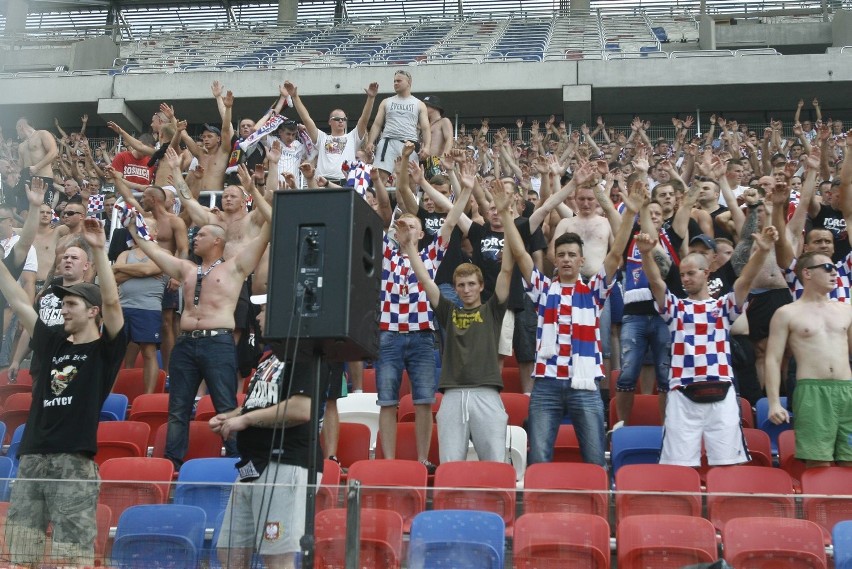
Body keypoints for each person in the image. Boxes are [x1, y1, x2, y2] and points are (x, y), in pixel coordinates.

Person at [2, 219, 125, 567]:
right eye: (63, 303)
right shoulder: (53, 341)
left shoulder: (105, 351)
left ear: (92, 311)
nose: (63, 309)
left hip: (74, 461)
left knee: (72, 555)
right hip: (33, 457)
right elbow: (16, 297)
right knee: (21, 552)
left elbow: (114, 304)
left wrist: (100, 250)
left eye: (71, 304)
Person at [510, 168, 636, 467]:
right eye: (561, 254)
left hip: (585, 386)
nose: (566, 259)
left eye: (572, 255)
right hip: (547, 385)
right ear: (555, 258)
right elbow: (520, 254)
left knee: (595, 460)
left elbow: (617, 254)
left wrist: (629, 213)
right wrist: (505, 215)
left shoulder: (594, 291)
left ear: (582, 260)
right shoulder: (542, 289)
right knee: (538, 459)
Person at [126, 211, 270, 468]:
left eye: (201, 234)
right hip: (185, 342)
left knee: (225, 405)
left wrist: (266, 200)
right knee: (178, 408)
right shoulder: (187, 269)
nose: (195, 238)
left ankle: (239, 460)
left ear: (217, 241)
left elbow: (265, 234)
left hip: (218, 342)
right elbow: (154, 252)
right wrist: (135, 230)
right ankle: (172, 462)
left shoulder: (235, 267)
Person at [639, 223, 778, 467]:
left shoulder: (722, 306)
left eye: (691, 273)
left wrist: (763, 252)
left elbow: (744, 281)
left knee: (728, 464)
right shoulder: (676, 308)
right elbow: (656, 283)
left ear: (706, 272)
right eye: (682, 274)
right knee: (678, 466)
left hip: (721, 389)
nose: (685, 279)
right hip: (682, 390)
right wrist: (646, 253)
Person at [210, 293, 331, 569]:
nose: (258, 318)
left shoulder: (307, 354)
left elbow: (302, 409)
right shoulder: (267, 358)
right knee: (230, 553)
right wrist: (229, 417)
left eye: (263, 311)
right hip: (253, 465)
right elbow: (256, 404)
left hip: (287, 464)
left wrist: (247, 420)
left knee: (277, 558)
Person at [396, 178, 511, 463]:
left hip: (487, 394)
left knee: (495, 463)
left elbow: (508, 268)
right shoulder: (449, 311)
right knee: (450, 466)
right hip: (453, 397)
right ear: (456, 288)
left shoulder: (492, 309)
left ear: (481, 286)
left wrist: (506, 217)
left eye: (472, 284)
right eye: (461, 285)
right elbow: (425, 278)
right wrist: (411, 248)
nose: (467, 289)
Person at [374, 156, 469, 472]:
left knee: (424, 401)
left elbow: (452, 220)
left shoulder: (430, 254)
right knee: (387, 402)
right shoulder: (386, 253)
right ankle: (387, 461)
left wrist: (465, 191)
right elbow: (385, 211)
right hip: (388, 334)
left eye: (413, 225)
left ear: (421, 232)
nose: (407, 228)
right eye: (403, 225)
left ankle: (422, 460)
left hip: (422, 336)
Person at [764, 250, 852, 466]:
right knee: (818, 464)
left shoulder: (846, 310)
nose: (834, 273)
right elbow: (773, 360)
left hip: (847, 390)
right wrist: (774, 402)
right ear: (807, 273)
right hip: (812, 392)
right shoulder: (787, 313)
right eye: (828, 268)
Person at [283, 79, 378, 185]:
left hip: (345, 181)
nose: (341, 121)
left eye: (344, 119)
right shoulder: (322, 138)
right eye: (337, 119)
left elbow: (364, 119)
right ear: (329, 122)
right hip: (322, 181)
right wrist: (295, 97)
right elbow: (306, 119)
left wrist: (371, 98)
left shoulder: (353, 137)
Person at [365, 70, 431, 205]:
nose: (395, 83)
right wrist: (370, 142)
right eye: (394, 81)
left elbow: (425, 127)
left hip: (408, 144)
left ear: (409, 82)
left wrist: (427, 146)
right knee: (379, 178)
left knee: (410, 181)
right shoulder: (386, 102)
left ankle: (410, 214)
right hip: (387, 142)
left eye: (399, 81)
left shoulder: (418, 104)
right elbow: (377, 124)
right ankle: (377, 210)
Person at [16, 117, 58, 206]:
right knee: (25, 212)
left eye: (17, 130)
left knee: (43, 210)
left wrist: (37, 167)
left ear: (21, 127)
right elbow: (20, 166)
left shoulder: (42, 134)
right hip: (27, 181)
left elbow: (54, 152)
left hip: (43, 178)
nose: (17, 134)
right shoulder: (21, 145)